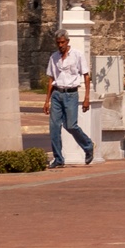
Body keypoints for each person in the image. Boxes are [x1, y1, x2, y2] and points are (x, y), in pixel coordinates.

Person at [44, 32, 93, 167]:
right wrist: (47, 100)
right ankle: (58, 158)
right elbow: (51, 79)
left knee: (70, 125)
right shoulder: (54, 58)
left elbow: (86, 76)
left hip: (71, 94)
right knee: (54, 127)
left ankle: (88, 146)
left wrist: (86, 98)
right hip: (57, 94)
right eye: (58, 43)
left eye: (62, 42)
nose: (60, 45)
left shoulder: (77, 55)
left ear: (67, 41)